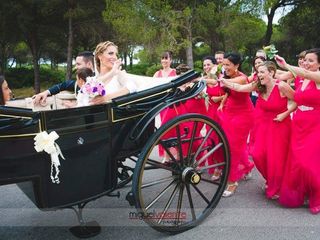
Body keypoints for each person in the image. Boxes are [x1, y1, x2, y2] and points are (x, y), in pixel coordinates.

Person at [221, 61, 295, 199]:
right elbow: (240, 88)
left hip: (280, 125)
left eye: (262, 72)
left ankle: (276, 185)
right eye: (258, 72)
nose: (258, 75)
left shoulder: (282, 86)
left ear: (271, 73)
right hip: (261, 125)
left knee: (276, 159)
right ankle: (270, 178)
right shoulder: (258, 86)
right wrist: (225, 82)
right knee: (257, 155)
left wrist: (285, 113)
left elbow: (297, 100)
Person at [275, 49, 320, 214]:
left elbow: (305, 73)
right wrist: (286, 89)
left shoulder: (317, 77)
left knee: (309, 163)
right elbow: (298, 98)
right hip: (299, 123)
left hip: (316, 124)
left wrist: (286, 65)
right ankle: (302, 193)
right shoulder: (301, 79)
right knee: (297, 162)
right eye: (305, 60)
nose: (306, 63)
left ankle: (317, 196)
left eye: (311, 61)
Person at [219, 52, 254, 197]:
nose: (224, 67)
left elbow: (232, 85)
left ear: (237, 65)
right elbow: (228, 92)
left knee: (233, 147)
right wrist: (222, 103)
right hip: (229, 112)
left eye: (228, 64)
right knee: (228, 144)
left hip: (243, 115)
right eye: (224, 64)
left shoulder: (242, 78)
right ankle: (247, 166)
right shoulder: (226, 75)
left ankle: (232, 181)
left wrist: (219, 79)